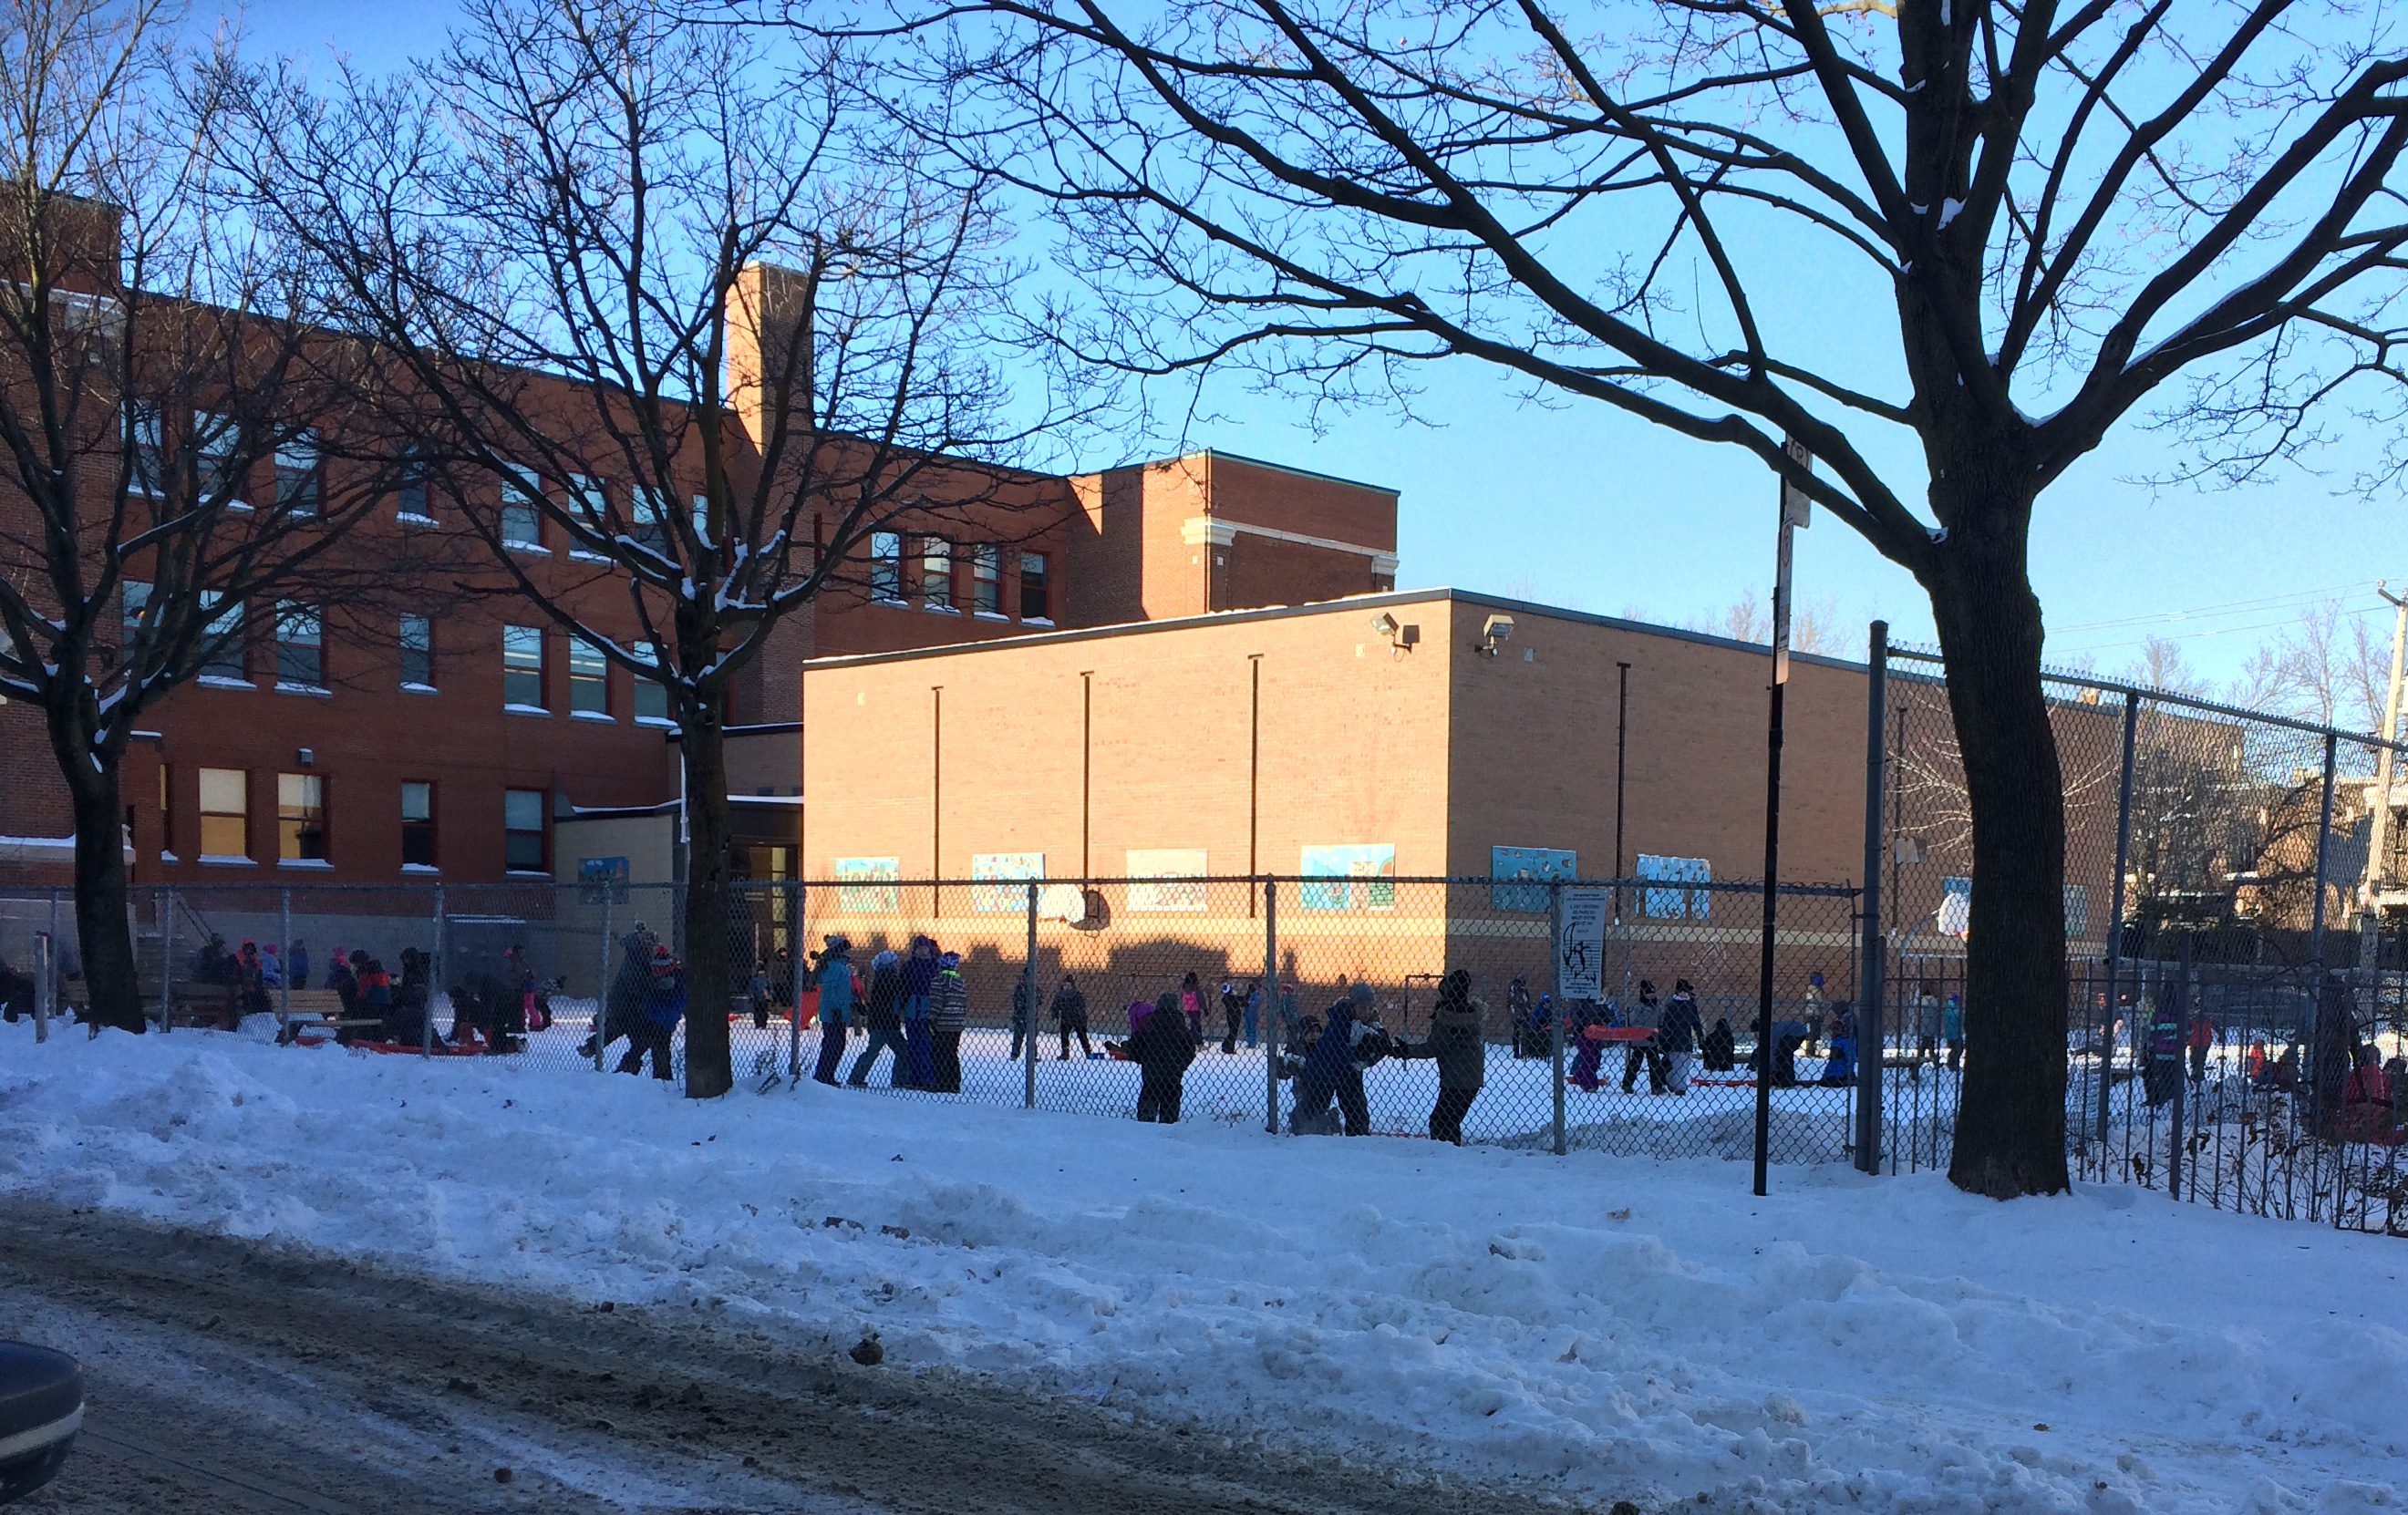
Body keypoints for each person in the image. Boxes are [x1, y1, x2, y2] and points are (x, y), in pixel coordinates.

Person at [1393, 969, 1485, 1142]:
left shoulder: (1448, 1016)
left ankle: (1447, 1153)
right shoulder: (1469, 1013)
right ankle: (1452, 1150)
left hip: (1456, 1079)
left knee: (1441, 1122)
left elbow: (1434, 1047)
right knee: (1450, 1121)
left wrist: (1407, 1051)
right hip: (1472, 1076)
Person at [1293, 984, 1383, 1135]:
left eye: (1370, 1008)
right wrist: (1357, 1054)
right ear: (1353, 1007)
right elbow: (1334, 1050)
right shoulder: (1340, 1020)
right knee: (1316, 1105)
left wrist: (1370, 1054)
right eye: (1362, 1008)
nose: (1366, 1012)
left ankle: (1358, 1136)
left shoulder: (1371, 1024)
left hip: (1349, 1073)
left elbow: (1377, 1048)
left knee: (1356, 1108)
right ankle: (1302, 1124)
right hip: (1324, 1072)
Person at [580, 925, 656, 1064]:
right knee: (638, 1040)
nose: (653, 949)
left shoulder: (637, 958)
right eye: (650, 944)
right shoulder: (636, 961)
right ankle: (624, 1066)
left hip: (625, 1006)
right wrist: (654, 985)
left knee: (619, 1031)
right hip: (627, 1006)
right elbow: (636, 986)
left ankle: (592, 1047)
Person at [1132, 989, 1200, 1123]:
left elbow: (1136, 1045)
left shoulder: (1149, 1024)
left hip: (1151, 1072)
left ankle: (1146, 1122)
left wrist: (1142, 1059)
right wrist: (1181, 1065)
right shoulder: (1180, 1027)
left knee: (1149, 1095)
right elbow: (1190, 1050)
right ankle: (1168, 1124)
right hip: (1173, 1073)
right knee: (1171, 1100)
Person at [848, 949, 910, 1087]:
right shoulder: (890, 978)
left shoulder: (880, 976)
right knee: (902, 1051)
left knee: (873, 1051)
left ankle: (856, 1076)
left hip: (878, 1021)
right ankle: (899, 1079)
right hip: (888, 1022)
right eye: (895, 961)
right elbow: (897, 997)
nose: (898, 964)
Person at [623, 943, 683, 1079]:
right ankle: (629, 1073)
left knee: (654, 1048)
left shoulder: (674, 977)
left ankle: (660, 1077)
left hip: (662, 1017)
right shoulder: (652, 975)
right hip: (653, 1016)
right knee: (647, 1047)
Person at [812, 936, 856, 1086]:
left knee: (833, 1044)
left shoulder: (832, 966)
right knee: (834, 1045)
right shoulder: (837, 968)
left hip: (834, 1011)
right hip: (835, 1012)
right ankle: (824, 1076)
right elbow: (830, 990)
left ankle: (825, 1075)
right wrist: (837, 1009)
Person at [900, 937, 938, 1089]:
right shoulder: (909, 966)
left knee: (926, 1046)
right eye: (919, 948)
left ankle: (927, 1079)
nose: (922, 950)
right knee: (913, 1045)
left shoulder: (935, 965)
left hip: (927, 1009)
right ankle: (914, 1078)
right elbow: (903, 987)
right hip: (912, 1008)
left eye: (925, 947)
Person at [928, 951, 968, 1093]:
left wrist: (931, 1018)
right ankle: (954, 1082)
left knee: (939, 1053)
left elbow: (937, 1002)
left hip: (943, 1023)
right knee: (952, 1052)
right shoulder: (959, 982)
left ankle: (941, 1082)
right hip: (956, 1024)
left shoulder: (938, 981)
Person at [1657, 979, 1703, 1095]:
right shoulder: (1672, 1006)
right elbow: (1666, 1024)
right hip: (1674, 1040)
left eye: (1686, 992)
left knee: (1684, 1064)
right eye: (1682, 991)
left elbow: (1696, 1023)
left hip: (1686, 1040)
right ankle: (1680, 1088)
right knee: (1678, 1064)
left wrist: (1700, 1037)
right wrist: (1664, 1038)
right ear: (1677, 992)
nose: (1684, 994)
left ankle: (1672, 1082)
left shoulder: (1690, 1006)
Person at [2142, 987, 2185, 1108]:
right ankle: (2167, 1100)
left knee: (2151, 1074)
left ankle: (2154, 1098)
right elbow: (2188, 1031)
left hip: (2160, 1052)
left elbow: (2152, 1033)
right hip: (2176, 1053)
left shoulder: (2158, 1016)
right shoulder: (2180, 1014)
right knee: (2170, 1077)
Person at [1620, 980, 1666, 1094]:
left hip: (1652, 1040)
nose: (1651, 996)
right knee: (1635, 1063)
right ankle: (1627, 1083)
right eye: (1649, 993)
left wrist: (1659, 1032)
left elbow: (1659, 1022)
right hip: (1640, 1040)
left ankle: (1656, 1086)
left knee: (1655, 1064)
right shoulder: (1638, 1008)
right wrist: (1645, 1033)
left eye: (1652, 993)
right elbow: (1635, 1022)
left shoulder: (1656, 1007)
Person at [2341, 1046, 2395, 1140]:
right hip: (2376, 1109)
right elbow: (2388, 1096)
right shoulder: (2383, 1075)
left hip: (2355, 1107)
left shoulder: (2354, 1074)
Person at [1567, 996, 1611, 1092]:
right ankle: (1589, 1084)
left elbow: (1609, 1015)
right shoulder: (1579, 1000)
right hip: (1582, 1032)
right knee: (1588, 1057)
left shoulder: (1598, 1000)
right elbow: (1575, 1016)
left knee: (1596, 1058)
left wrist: (1602, 1021)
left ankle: (1578, 1077)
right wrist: (1588, 1024)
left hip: (1596, 1033)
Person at [1051, 973, 1092, 1060]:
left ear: (1072, 986)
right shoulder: (1060, 995)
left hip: (1077, 1018)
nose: (1067, 987)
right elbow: (1055, 1005)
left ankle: (1088, 1052)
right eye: (1065, 985)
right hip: (1065, 1018)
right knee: (1064, 1036)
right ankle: (1065, 1053)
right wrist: (1055, 1014)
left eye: (1069, 985)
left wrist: (1079, 1013)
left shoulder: (1076, 994)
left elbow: (1081, 1006)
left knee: (1082, 1035)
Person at [1818, 1002, 1857, 1086]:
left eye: (1835, 1029)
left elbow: (1850, 1058)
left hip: (1841, 1072)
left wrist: (1848, 1073)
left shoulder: (1846, 1040)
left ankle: (1843, 1077)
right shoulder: (1837, 1040)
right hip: (1833, 1071)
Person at [1008, 973, 1036, 1062]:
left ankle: (1033, 1055)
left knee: (1032, 1038)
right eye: (1022, 980)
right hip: (1020, 1017)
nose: (1023, 981)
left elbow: (1039, 1000)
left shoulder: (1034, 989)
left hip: (1031, 1018)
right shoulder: (1018, 989)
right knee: (1018, 1036)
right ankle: (1015, 1054)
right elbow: (1016, 1001)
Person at [1506, 976, 1536, 1059]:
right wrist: (1527, 1011)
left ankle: (1517, 1052)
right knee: (1524, 1033)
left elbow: (1509, 1003)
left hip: (1516, 1014)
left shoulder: (1512, 990)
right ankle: (1523, 1052)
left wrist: (1513, 1013)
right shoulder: (1522, 990)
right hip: (1523, 1014)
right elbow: (1526, 1002)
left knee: (1517, 1034)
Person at [2187, 1005, 2217, 1084]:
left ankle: (2196, 1074)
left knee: (2195, 1058)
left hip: (2196, 1041)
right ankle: (2198, 1074)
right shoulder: (2208, 1018)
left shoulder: (2193, 1017)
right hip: (2204, 1041)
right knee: (2200, 1058)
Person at [1179, 971, 1209, 1045]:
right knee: (1196, 1025)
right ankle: (1197, 1041)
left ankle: (1193, 1039)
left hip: (1187, 1008)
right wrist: (1205, 1009)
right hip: (1195, 1008)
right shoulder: (1196, 988)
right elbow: (1201, 999)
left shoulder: (1183, 988)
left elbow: (1181, 997)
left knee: (1194, 1024)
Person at [1219, 979, 1245, 1055]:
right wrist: (1249, 992)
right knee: (1233, 1032)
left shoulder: (1226, 998)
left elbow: (1241, 1000)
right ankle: (1226, 1046)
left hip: (1230, 1016)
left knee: (1232, 1032)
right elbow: (1242, 998)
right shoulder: (1232, 998)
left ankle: (1230, 1048)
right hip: (1235, 1016)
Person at [1942, 994, 1965, 1073]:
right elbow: (1960, 1019)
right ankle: (1953, 1064)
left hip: (1950, 1032)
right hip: (1955, 1032)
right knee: (1958, 1049)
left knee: (1955, 1049)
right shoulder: (1956, 1009)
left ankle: (1952, 1063)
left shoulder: (1948, 1008)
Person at [1243, 977, 1263, 1049]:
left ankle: (1252, 1043)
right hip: (1248, 1012)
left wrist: (1249, 1003)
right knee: (1248, 1028)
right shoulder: (1250, 992)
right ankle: (1249, 1042)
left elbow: (1257, 1002)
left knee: (1252, 1028)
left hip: (1253, 1013)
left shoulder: (1258, 993)